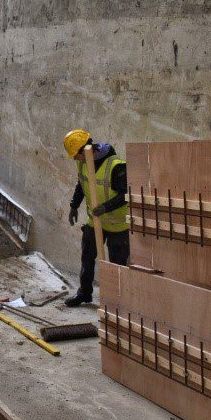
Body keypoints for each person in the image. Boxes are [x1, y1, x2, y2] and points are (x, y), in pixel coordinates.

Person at [62, 128, 130, 307]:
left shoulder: (116, 167)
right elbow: (82, 184)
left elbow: (125, 194)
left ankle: (116, 302)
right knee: (87, 257)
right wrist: (73, 205)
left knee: (117, 265)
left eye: (75, 155)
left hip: (117, 226)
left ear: (86, 149)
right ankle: (84, 294)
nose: (75, 159)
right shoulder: (83, 163)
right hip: (95, 221)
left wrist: (106, 208)